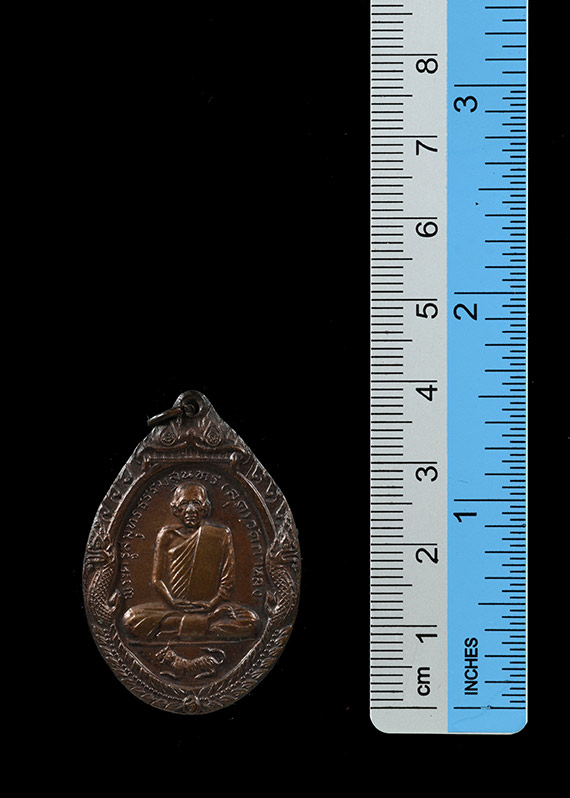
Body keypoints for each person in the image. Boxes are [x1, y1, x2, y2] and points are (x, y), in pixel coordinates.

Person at [123, 482, 259, 641]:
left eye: (196, 503)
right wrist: (172, 602)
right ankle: (206, 625)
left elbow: (227, 580)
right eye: (184, 504)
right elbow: (157, 579)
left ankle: (181, 627)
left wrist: (212, 603)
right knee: (131, 620)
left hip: (211, 607)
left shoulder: (220, 534)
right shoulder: (167, 535)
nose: (190, 510)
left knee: (252, 622)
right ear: (176, 509)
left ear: (205, 508)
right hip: (173, 607)